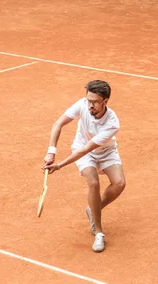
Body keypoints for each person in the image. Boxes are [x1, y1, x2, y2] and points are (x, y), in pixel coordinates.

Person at [42, 80, 126, 253]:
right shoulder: (82, 104)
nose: (90, 105)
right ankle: (99, 232)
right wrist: (51, 152)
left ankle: (93, 208)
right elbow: (58, 124)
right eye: (89, 100)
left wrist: (60, 165)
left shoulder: (112, 123)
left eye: (95, 102)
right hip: (83, 149)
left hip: (105, 152)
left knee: (119, 183)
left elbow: (88, 148)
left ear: (106, 101)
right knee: (93, 183)